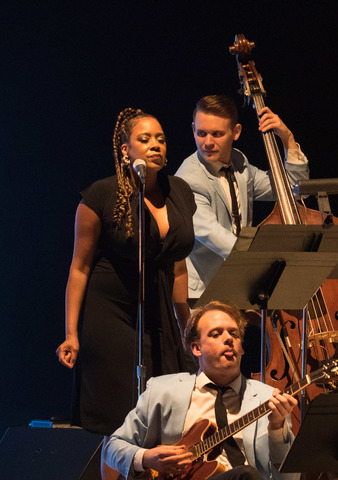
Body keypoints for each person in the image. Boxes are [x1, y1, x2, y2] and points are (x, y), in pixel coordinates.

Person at [56, 108, 196, 480]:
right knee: (121, 414)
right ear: (124, 150)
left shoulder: (179, 192)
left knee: (164, 412)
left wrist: (187, 327)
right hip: (111, 314)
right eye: (145, 139)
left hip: (161, 314)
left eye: (161, 139)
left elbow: (178, 266)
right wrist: (71, 333)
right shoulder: (100, 195)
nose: (155, 145)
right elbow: (79, 267)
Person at [103, 300, 299, 480]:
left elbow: (289, 478)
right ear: (196, 348)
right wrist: (147, 457)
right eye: (216, 334)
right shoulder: (162, 390)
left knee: (245, 475)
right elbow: (112, 448)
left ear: (242, 348)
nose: (229, 339)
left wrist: (276, 429)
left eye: (234, 334)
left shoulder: (268, 399)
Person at [175, 94, 309, 298]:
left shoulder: (239, 163)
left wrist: (287, 139)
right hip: (205, 294)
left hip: (239, 283)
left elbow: (293, 188)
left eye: (217, 134)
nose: (207, 142)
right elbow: (215, 237)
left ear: (236, 132)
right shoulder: (188, 180)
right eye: (201, 133)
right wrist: (268, 261)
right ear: (193, 129)